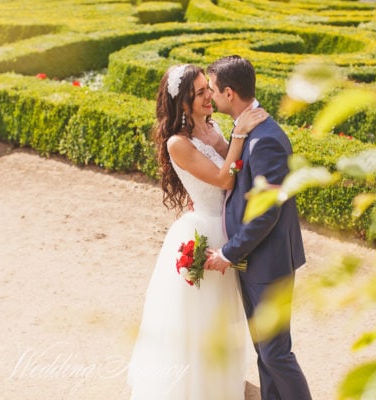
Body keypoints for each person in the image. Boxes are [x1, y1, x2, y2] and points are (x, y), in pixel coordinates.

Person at [127, 64, 268, 399]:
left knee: (223, 320)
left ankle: (222, 385)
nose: (209, 96)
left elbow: (236, 163)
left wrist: (242, 134)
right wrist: (238, 134)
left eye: (209, 88)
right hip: (202, 233)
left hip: (225, 231)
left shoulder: (211, 128)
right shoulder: (178, 143)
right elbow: (223, 178)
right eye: (200, 93)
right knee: (197, 322)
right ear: (183, 103)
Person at [204, 55, 312, 400]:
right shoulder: (247, 131)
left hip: (269, 263)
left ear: (230, 93)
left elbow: (266, 214)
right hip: (254, 260)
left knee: (277, 353)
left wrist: (229, 252)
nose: (209, 96)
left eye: (212, 90)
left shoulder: (264, 139)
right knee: (264, 352)